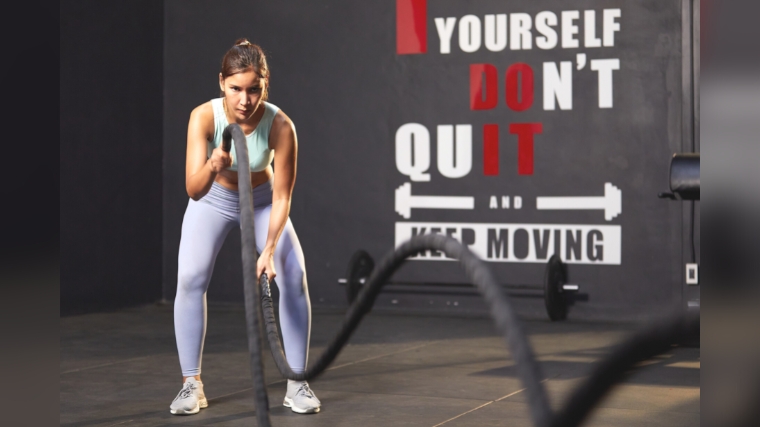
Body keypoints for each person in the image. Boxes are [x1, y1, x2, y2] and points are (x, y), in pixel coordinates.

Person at [170, 38, 320, 415]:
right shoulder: (203, 117)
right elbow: (193, 188)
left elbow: (283, 196)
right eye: (236, 88)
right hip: (214, 199)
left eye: (254, 89)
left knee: (293, 272)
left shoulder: (281, 125)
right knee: (190, 277)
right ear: (222, 82)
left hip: (263, 199)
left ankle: (297, 382)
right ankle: (192, 384)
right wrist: (213, 164)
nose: (244, 100)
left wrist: (268, 250)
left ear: (265, 85)